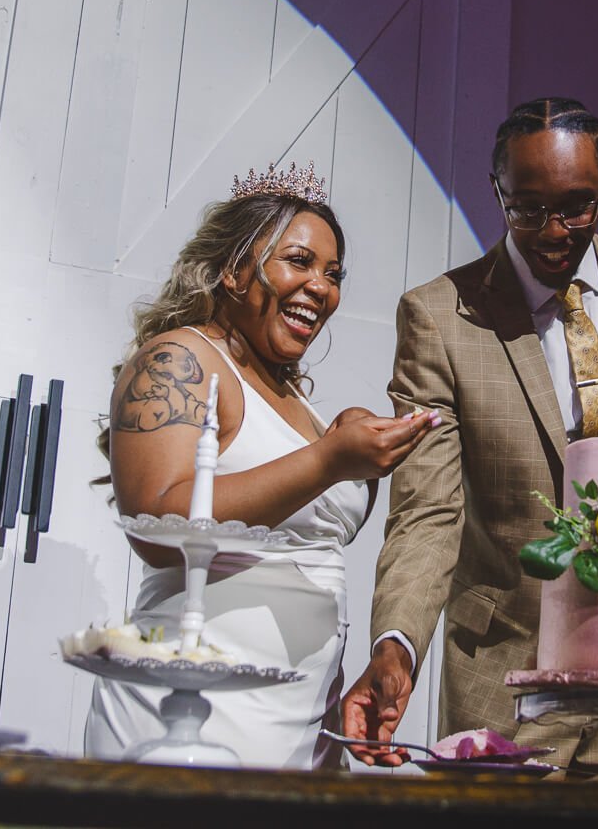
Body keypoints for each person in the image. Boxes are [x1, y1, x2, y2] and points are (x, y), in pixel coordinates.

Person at [339, 98, 598, 776]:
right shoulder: (439, 318)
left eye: (578, 206)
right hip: (504, 681)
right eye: (527, 209)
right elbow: (427, 511)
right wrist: (397, 644)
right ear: (498, 193)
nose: (554, 230)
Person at [85, 162, 438, 770]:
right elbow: (158, 525)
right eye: (299, 262)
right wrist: (329, 459)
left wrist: (354, 458)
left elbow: (308, 552)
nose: (321, 288)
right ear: (234, 268)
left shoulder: (294, 399)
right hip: (190, 713)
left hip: (302, 722)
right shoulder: (180, 360)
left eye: (333, 274)